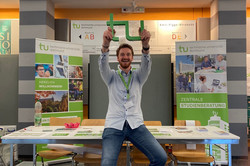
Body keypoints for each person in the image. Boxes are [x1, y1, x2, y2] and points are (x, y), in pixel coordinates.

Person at [99, 27, 167, 166]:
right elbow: (102, 65)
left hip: (135, 125)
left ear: (132, 57)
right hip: (114, 126)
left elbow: (147, 64)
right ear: (117, 58)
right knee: (107, 164)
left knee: (160, 157)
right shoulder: (111, 76)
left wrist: (146, 45)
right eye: (122, 54)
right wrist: (105, 45)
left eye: (128, 54)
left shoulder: (138, 77)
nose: (125, 57)